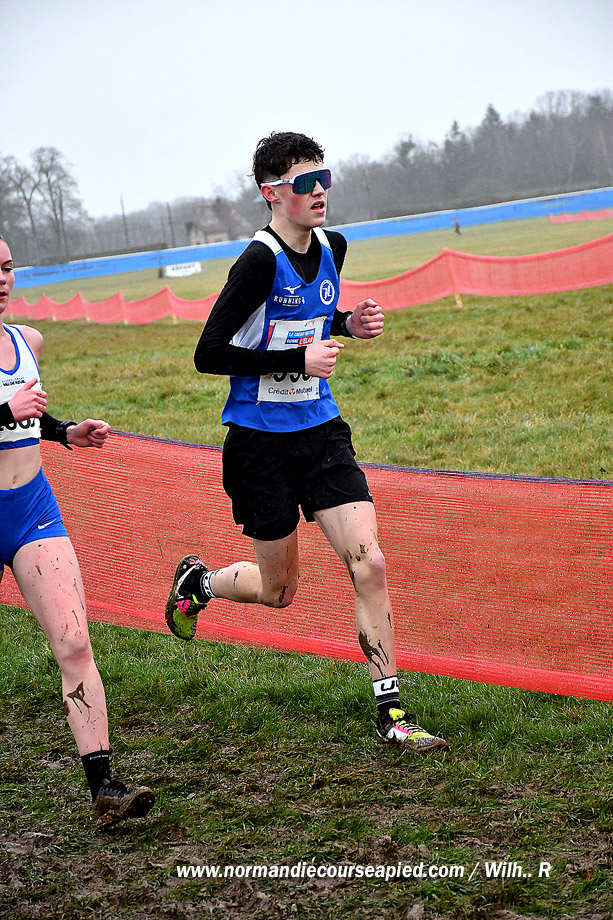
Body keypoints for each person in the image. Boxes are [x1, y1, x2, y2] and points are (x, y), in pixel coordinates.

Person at [165, 132, 448, 752]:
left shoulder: (332, 247)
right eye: (304, 183)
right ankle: (199, 584)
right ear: (271, 194)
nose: (319, 191)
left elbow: (313, 321)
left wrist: (348, 324)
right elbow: (209, 354)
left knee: (370, 563)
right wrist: (298, 359)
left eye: (325, 178)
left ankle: (391, 713)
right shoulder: (257, 262)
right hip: (260, 446)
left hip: (321, 432)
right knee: (279, 593)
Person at [0, 235, 155, 828]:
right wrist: (5, 411)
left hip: (32, 508)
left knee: (74, 642)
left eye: (8, 268)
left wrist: (64, 431)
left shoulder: (27, 341)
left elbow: (28, 417)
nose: (2, 280)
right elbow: (10, 411)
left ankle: (104, 787)